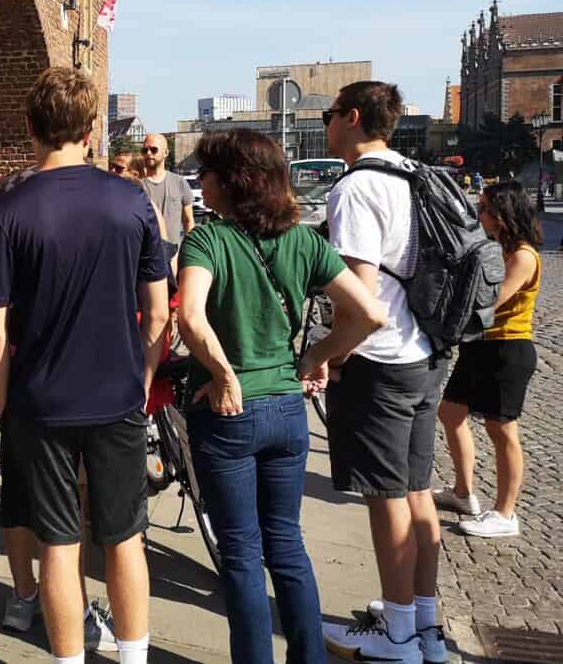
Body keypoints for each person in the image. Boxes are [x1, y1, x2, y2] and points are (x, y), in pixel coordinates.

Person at [0, 68, 170, 664]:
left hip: (39, 398)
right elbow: (159, 313)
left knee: (58, 544)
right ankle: (134, 656)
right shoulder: (131, 200)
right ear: (91, 130)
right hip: (116, 395)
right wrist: (141, 379)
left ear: (31, 127)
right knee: (124, 537)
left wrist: (7, 397)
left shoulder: (10, 208)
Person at [178, 130, 386, 664]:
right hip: (288, 413)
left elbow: (192, 318)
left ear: (231, 180)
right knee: (287, 544)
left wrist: (223, 373)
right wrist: (318, 358)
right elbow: (370, 314)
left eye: (207, 173)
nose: (200, 182)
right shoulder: (306, 241)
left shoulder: (207, 241)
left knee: (243, 556)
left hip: (229, 415)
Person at [0, 162, 118, 652]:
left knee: (19, 492)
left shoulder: (8, 190)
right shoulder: (85, 190)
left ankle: (22, 596)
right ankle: (75, 610)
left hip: (16, 364)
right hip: (65, 361)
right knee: (69, 501)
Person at [320, 81, 447, 664]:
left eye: (328, 115)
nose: (326, 125)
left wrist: (327, 354)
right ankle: (423, 623)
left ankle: (396, 639)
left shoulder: (357, 188)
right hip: (425, 352)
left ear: (350, 118)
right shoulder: (416, 175)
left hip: (381, 359)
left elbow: (360, 299)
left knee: (386, 498)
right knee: (417, 492)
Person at [436, 182, 542, 538]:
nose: (478, 214)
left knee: (502, 429)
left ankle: (506, 513)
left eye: (483, 208)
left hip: (507, 349)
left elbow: (491, 300)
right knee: (450, 413)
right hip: (480, 346)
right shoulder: (495, 247)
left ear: (503, 214)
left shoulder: (523, 255)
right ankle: (463, 493)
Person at [140, 133, 195, 245]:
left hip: (172, 256)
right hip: (144, 256)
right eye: (145, 150)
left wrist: (186, 252)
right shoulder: (137, 185)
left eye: (153, 149)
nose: (148, 153)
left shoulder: (179, 182)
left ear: (166, 152)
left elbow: (188, 221)